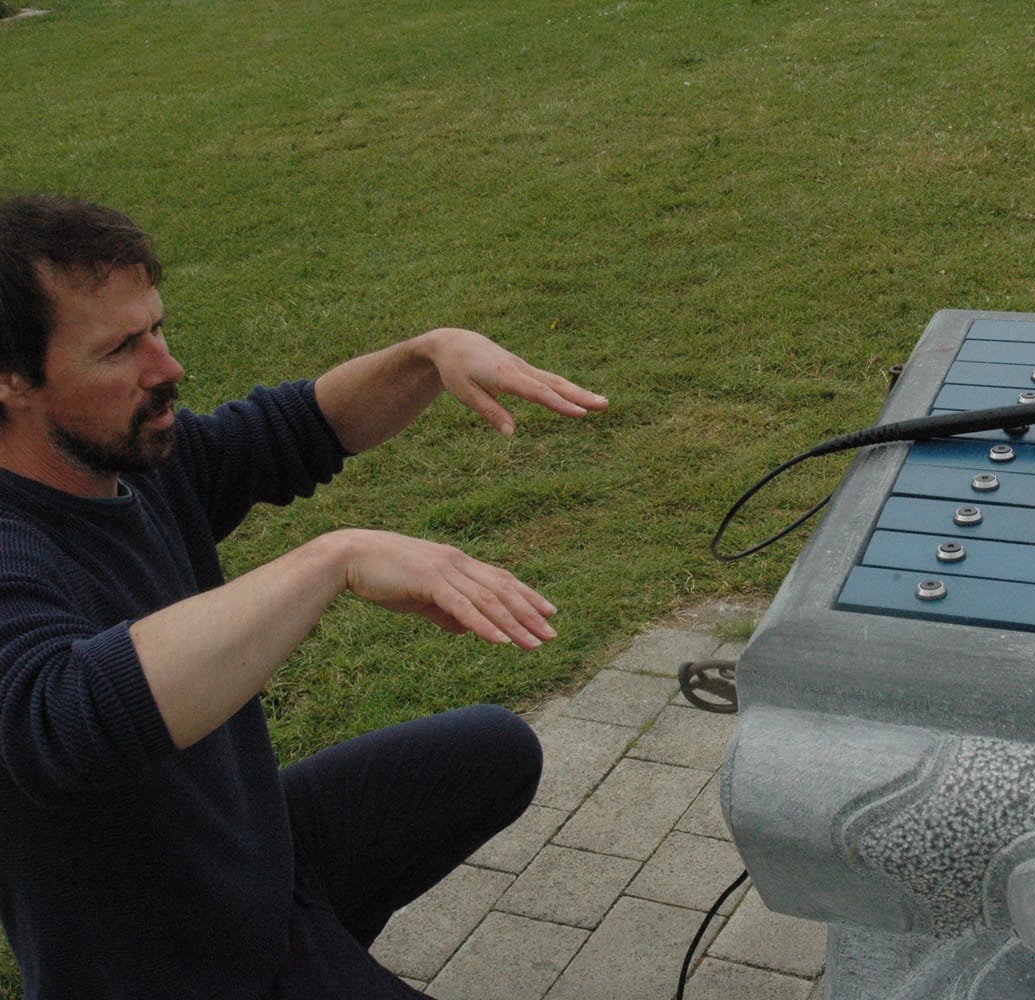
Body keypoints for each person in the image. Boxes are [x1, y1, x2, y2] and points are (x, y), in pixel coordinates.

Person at [0, 194, 609, 998]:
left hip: (256, 859)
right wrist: (336, 558)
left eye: (157, 328)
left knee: (494, 752)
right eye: (120, 349)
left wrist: (430, 354)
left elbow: (291, 429)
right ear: (12, 379)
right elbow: (59, 717)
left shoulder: (133, 463)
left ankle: (317, 943)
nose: (167, 368)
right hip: (178, 965)